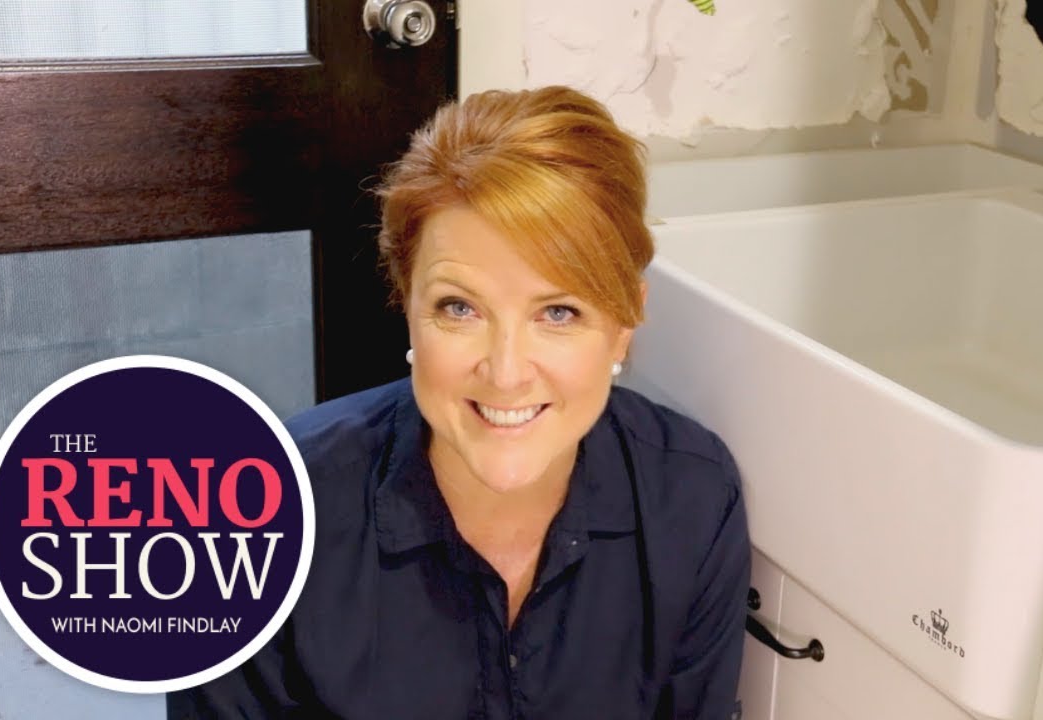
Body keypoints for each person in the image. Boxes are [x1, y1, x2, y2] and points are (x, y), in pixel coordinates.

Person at [173, 85, 751, 719]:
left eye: (558, 312)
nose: (506, 373)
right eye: (460, 308)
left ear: (624, 323)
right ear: (406, 301)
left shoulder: (691, 500)